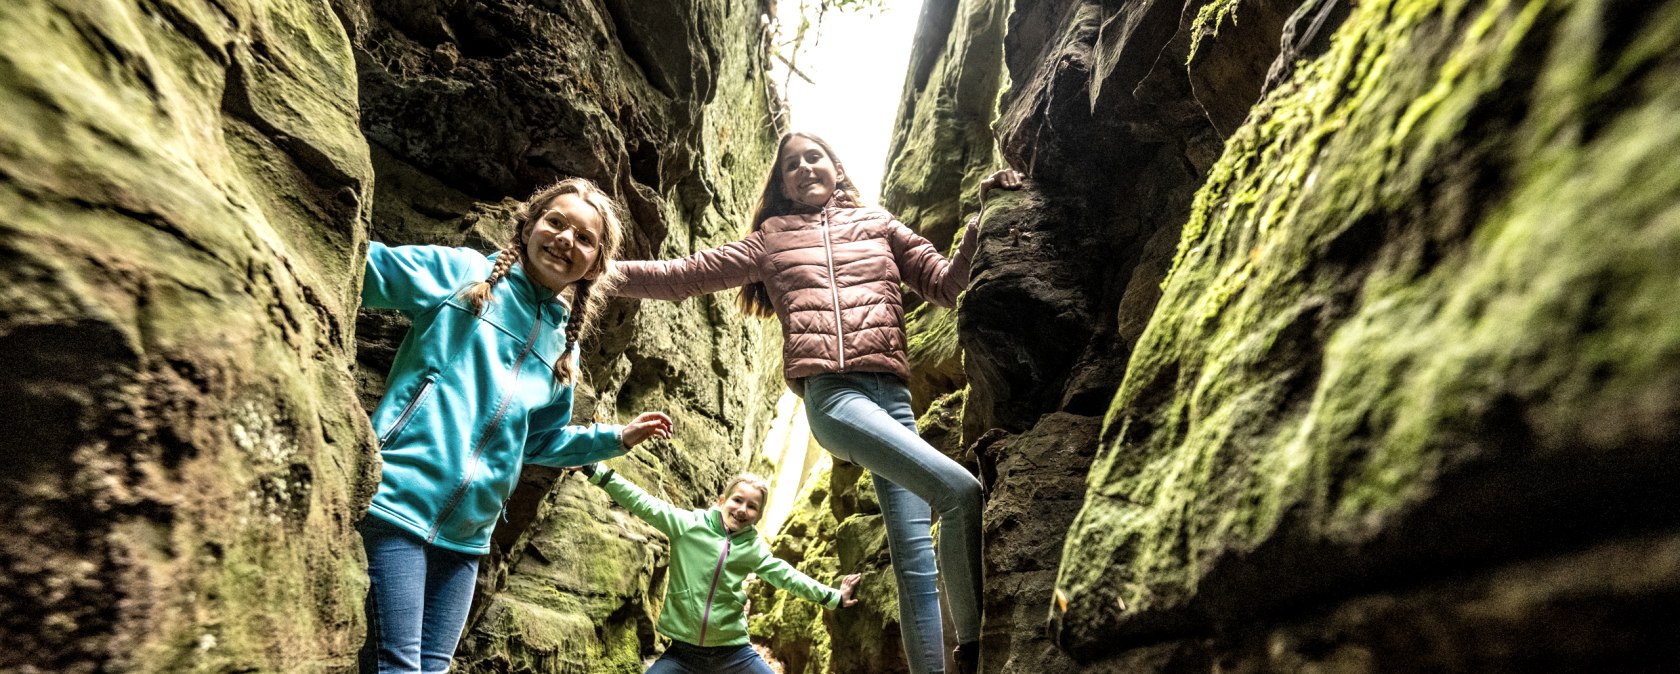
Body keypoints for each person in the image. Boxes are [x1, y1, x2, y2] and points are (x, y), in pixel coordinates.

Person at [607, 132, 1023, 674]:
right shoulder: (771, 239)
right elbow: (683, 275)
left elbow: (946, 283)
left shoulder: (878, 224)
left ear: (835, 167)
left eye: (814, 157)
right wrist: (597, 269)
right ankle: (974, 654)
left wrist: (980, 221)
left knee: (915, 561)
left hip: (893, 399)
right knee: (961, 491)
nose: (804, 168)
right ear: (781, 185)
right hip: (835, 398)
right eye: (791, 165)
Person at [357, 177, 675, 673]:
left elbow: (543, 441)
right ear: (528, 225)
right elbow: (362, 264)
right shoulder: (463, 273)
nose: (566, 239)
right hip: (398, 501)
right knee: (399, 666)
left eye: (585, 238)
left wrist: (616, 438)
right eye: (556, 222)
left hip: (467, 536)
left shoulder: (561, 350)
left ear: (594, 264)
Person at [573, 463, 861, 673]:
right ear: (722, 501)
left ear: (758, 516)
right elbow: (644, 503)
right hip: (683, 654)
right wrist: (596, 470)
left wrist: (832, 596)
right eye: (737, 500)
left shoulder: (753, 547)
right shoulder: (688, 526)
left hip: (733, 652)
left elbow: (786, 576)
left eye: (752, 507)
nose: (742, 510)